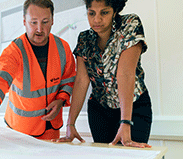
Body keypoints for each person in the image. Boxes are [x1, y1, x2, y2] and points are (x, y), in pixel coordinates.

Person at [0, 0, 76, 140]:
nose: (39, 29)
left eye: (45, 22)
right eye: (33, 22)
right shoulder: (14, 51)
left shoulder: (63, 48)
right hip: (20, 132)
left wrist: (61, 100)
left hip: (52, 130)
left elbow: (69, 80)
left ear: (52, 21)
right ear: (24, 21)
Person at [54, 0, 152, 148]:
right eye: (91, 13)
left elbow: (125, 74)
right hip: (100, 110)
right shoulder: (84, 39)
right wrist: (70, 124)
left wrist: (125, 122)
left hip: (133, 109)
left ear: (114, 11)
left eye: (104, 12)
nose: (97, 20)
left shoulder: (130, 24)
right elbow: (81, 80)